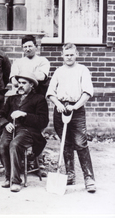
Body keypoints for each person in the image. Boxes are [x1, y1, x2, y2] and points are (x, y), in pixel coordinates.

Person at [46, 43, 96, 193]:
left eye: (72, 54)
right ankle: (69, 175)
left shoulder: (82, 70)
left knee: (80, 143)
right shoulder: (59, 71)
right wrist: (58, 104)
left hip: (77, 109)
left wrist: (75, 106)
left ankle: (89, 178)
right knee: (65, 143)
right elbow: (50, 92)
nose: (69, 57)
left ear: (76, 55)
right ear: (62, 55)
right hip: (60, 109)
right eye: (66, 55)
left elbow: (87, 92)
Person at [0, 72, 49, 192]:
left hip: (28, 131)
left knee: (15, 144)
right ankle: (8, 178)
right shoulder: (11, 99)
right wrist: (5, 123)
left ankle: (15, 181)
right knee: (3, 145)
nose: (20, 85)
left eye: (24, 83)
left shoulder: (39, 99)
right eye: (19, 83)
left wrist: (25, 115)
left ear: (32, 85)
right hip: (11, 128)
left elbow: (43, 121)